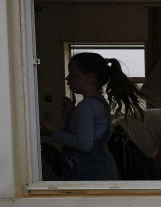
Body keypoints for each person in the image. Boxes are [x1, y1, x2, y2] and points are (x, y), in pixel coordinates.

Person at [40, 52, 144, 181]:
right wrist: (68, 115)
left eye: (72, 75)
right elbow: (84, 136)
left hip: (90, 174)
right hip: (96, 172)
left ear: (90, 78)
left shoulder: (87, 106)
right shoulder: (98, 104)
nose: (67, 78)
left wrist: (52, 132)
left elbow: (84, 144)